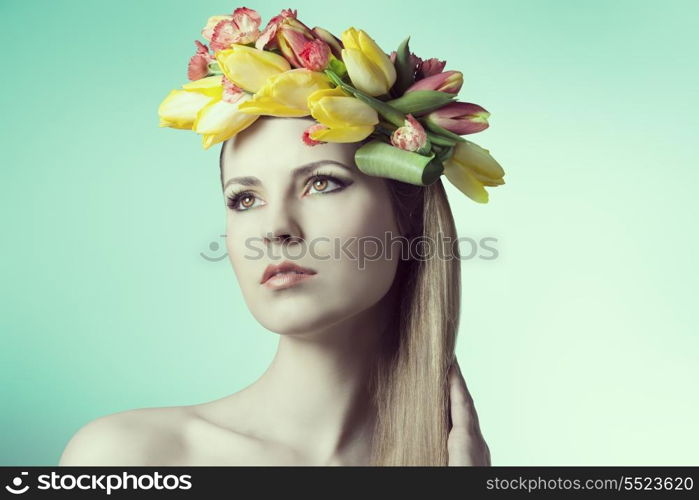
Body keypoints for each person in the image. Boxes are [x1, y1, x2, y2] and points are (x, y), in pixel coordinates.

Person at [60, 6, 503, 466]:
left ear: (407, 218)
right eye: (244, 199)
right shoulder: (127, 456)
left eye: (322, 183)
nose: (274, 229)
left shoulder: (453, 462)